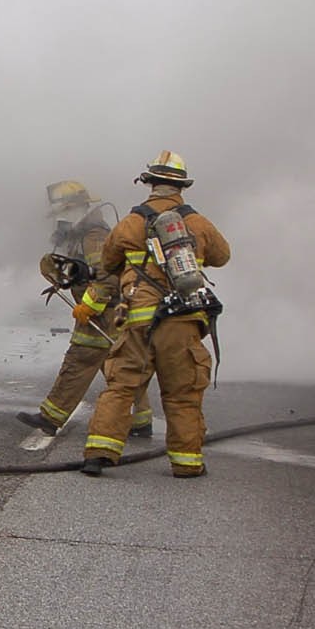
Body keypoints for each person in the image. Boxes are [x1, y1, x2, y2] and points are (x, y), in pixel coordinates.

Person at [81, 150, 230, 479]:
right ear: (181, 186)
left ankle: (99, 454)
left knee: (121, 387)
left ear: (149, 183)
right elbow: (223, 256)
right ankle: (187, 463)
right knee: (182, 394)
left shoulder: (131, 223)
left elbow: (107, 262)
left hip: (139, 321)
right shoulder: (197, 223)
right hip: (181, 321)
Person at [16, 180, 154, 440]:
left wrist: (88, 308)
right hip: (106, 314)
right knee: (119, 367)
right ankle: (141, 420)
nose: (60, 220)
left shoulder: (95, 237)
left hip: (103, 314)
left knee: (78, 361)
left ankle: (50, 418)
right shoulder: (82, 235)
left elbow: (108, 279)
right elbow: (85, 273)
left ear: (77, 208)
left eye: (63, 213)